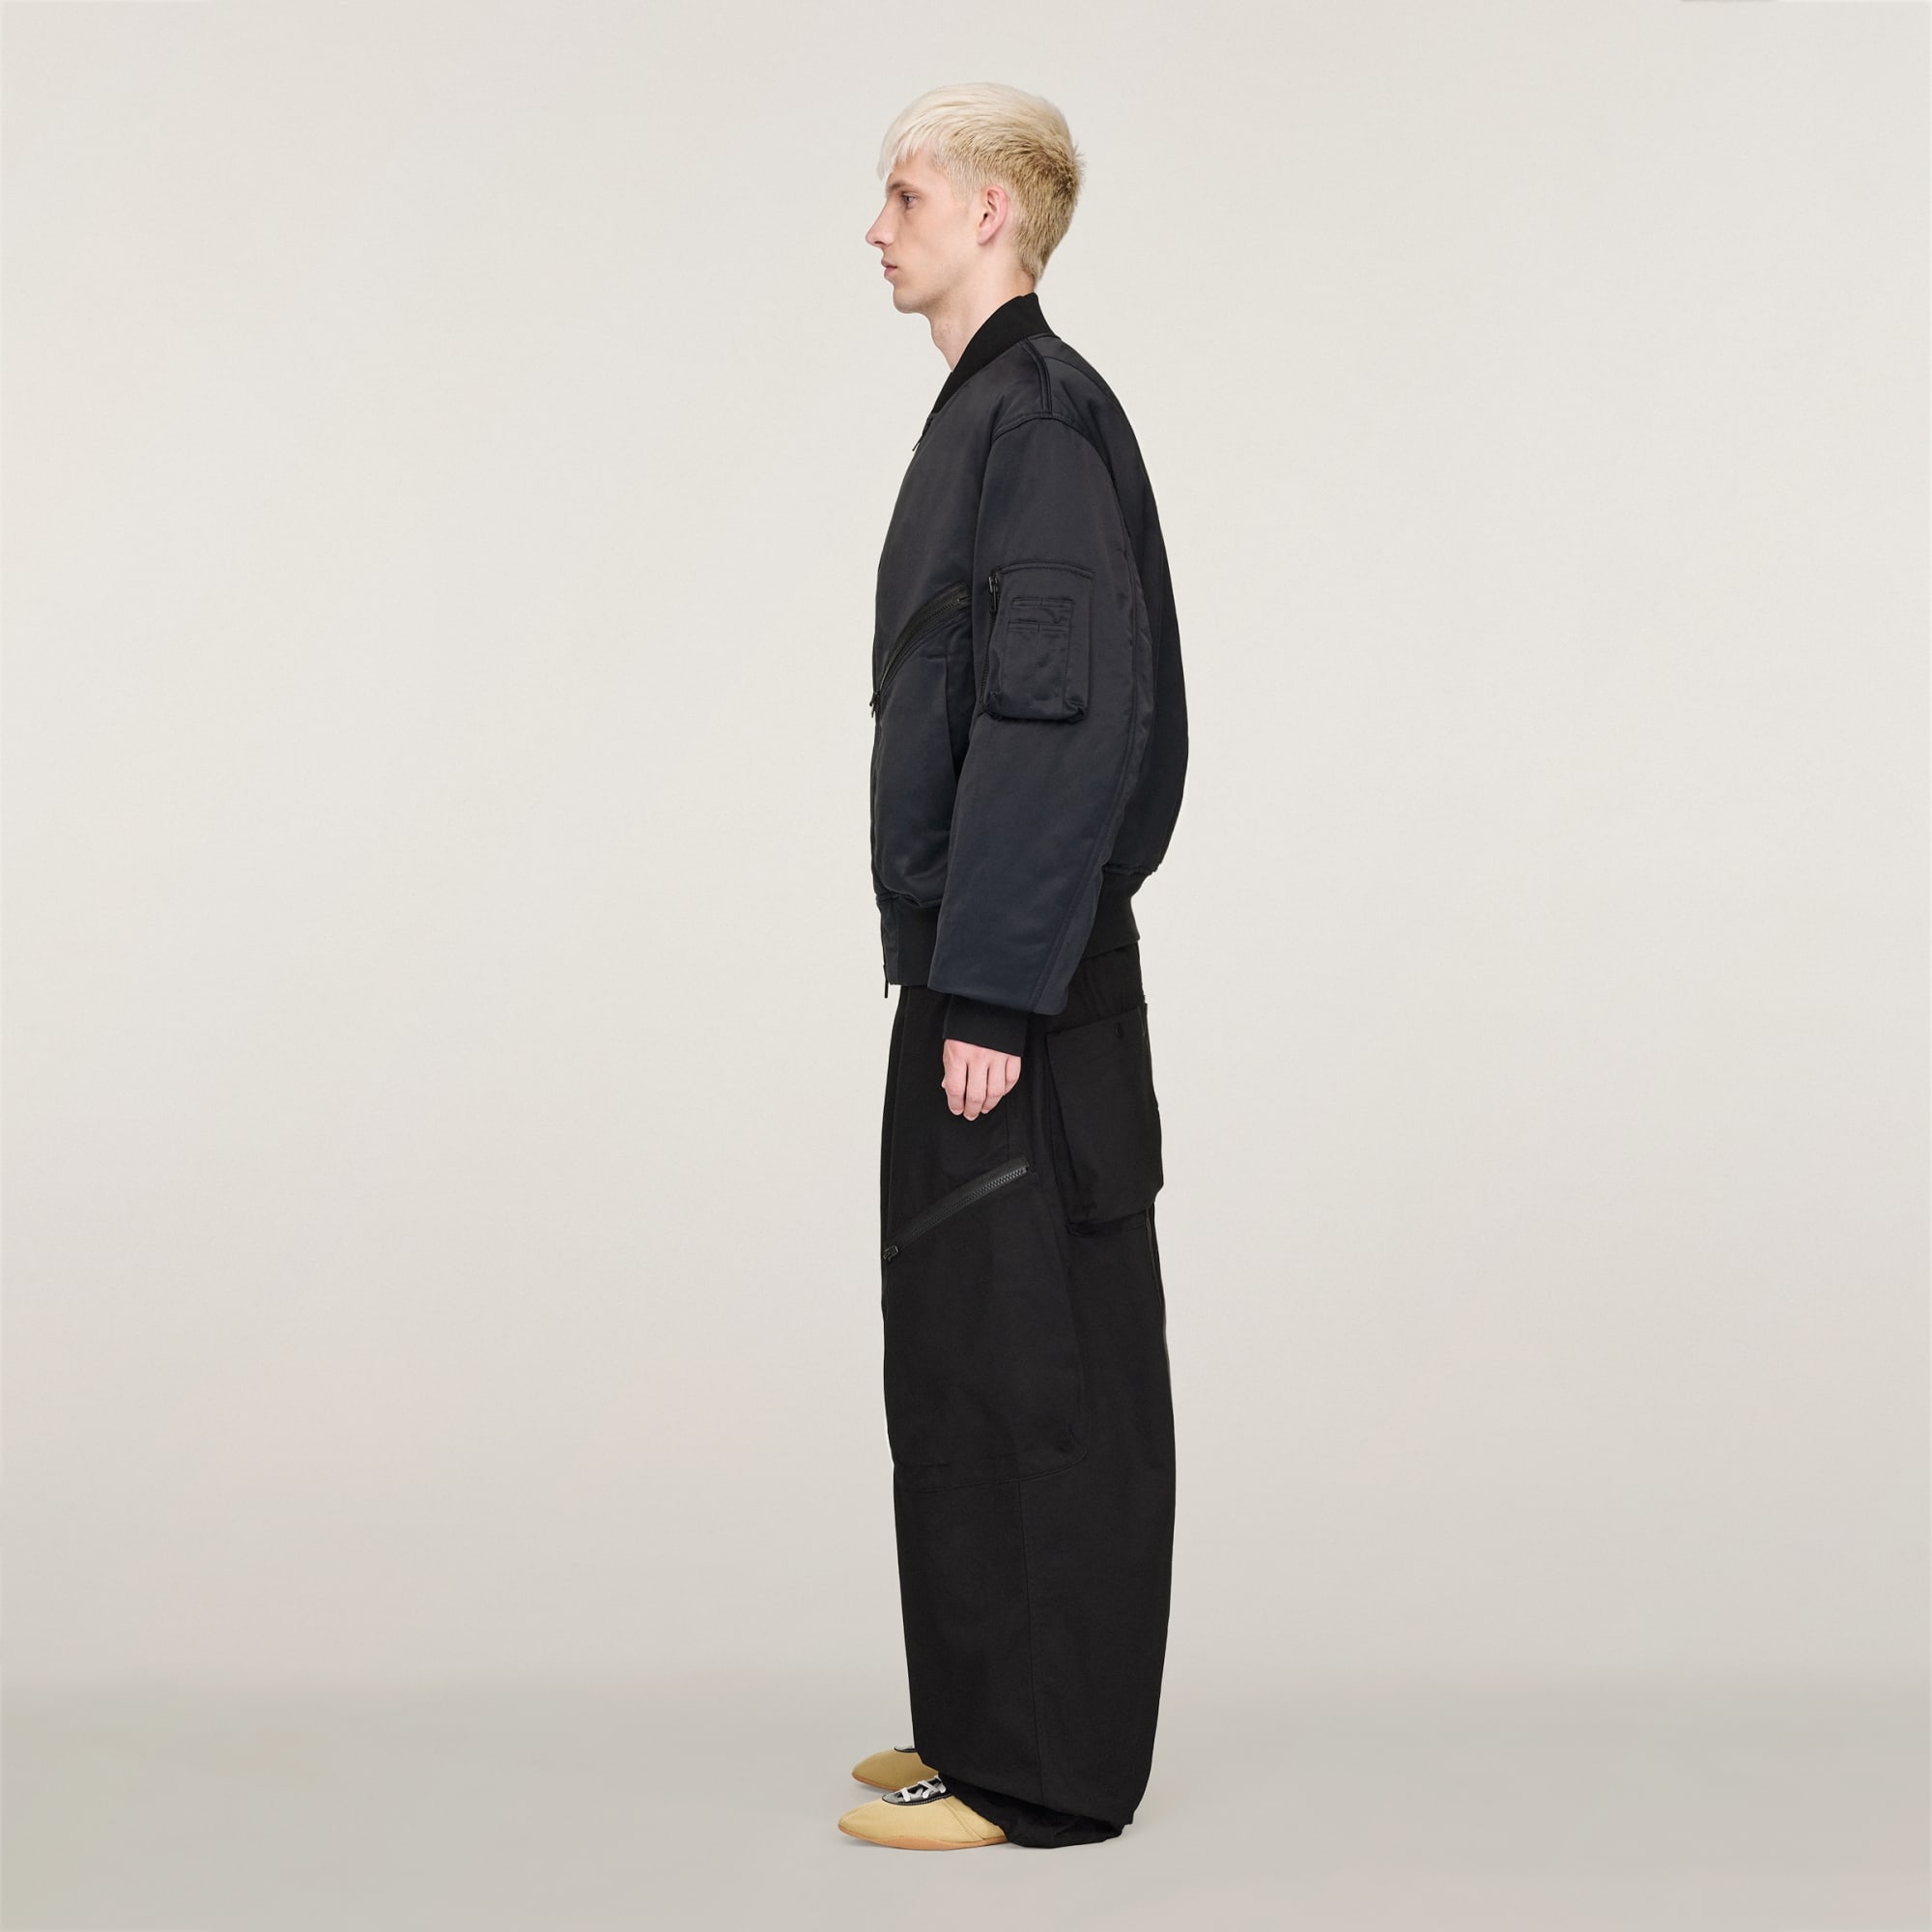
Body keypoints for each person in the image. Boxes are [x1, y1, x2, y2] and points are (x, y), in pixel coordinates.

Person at [840, 81, 1189, 1853]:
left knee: (1034, 1373)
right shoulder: (991, 414)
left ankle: (1037, 1771)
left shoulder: (1036, 423)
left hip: (1020, 995)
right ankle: (986, 1725)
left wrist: (985, 989)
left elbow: (1064, 731)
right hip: (991, 972)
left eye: (906, 195)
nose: (876, 226)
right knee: (964, 1357)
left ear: (993, 213)